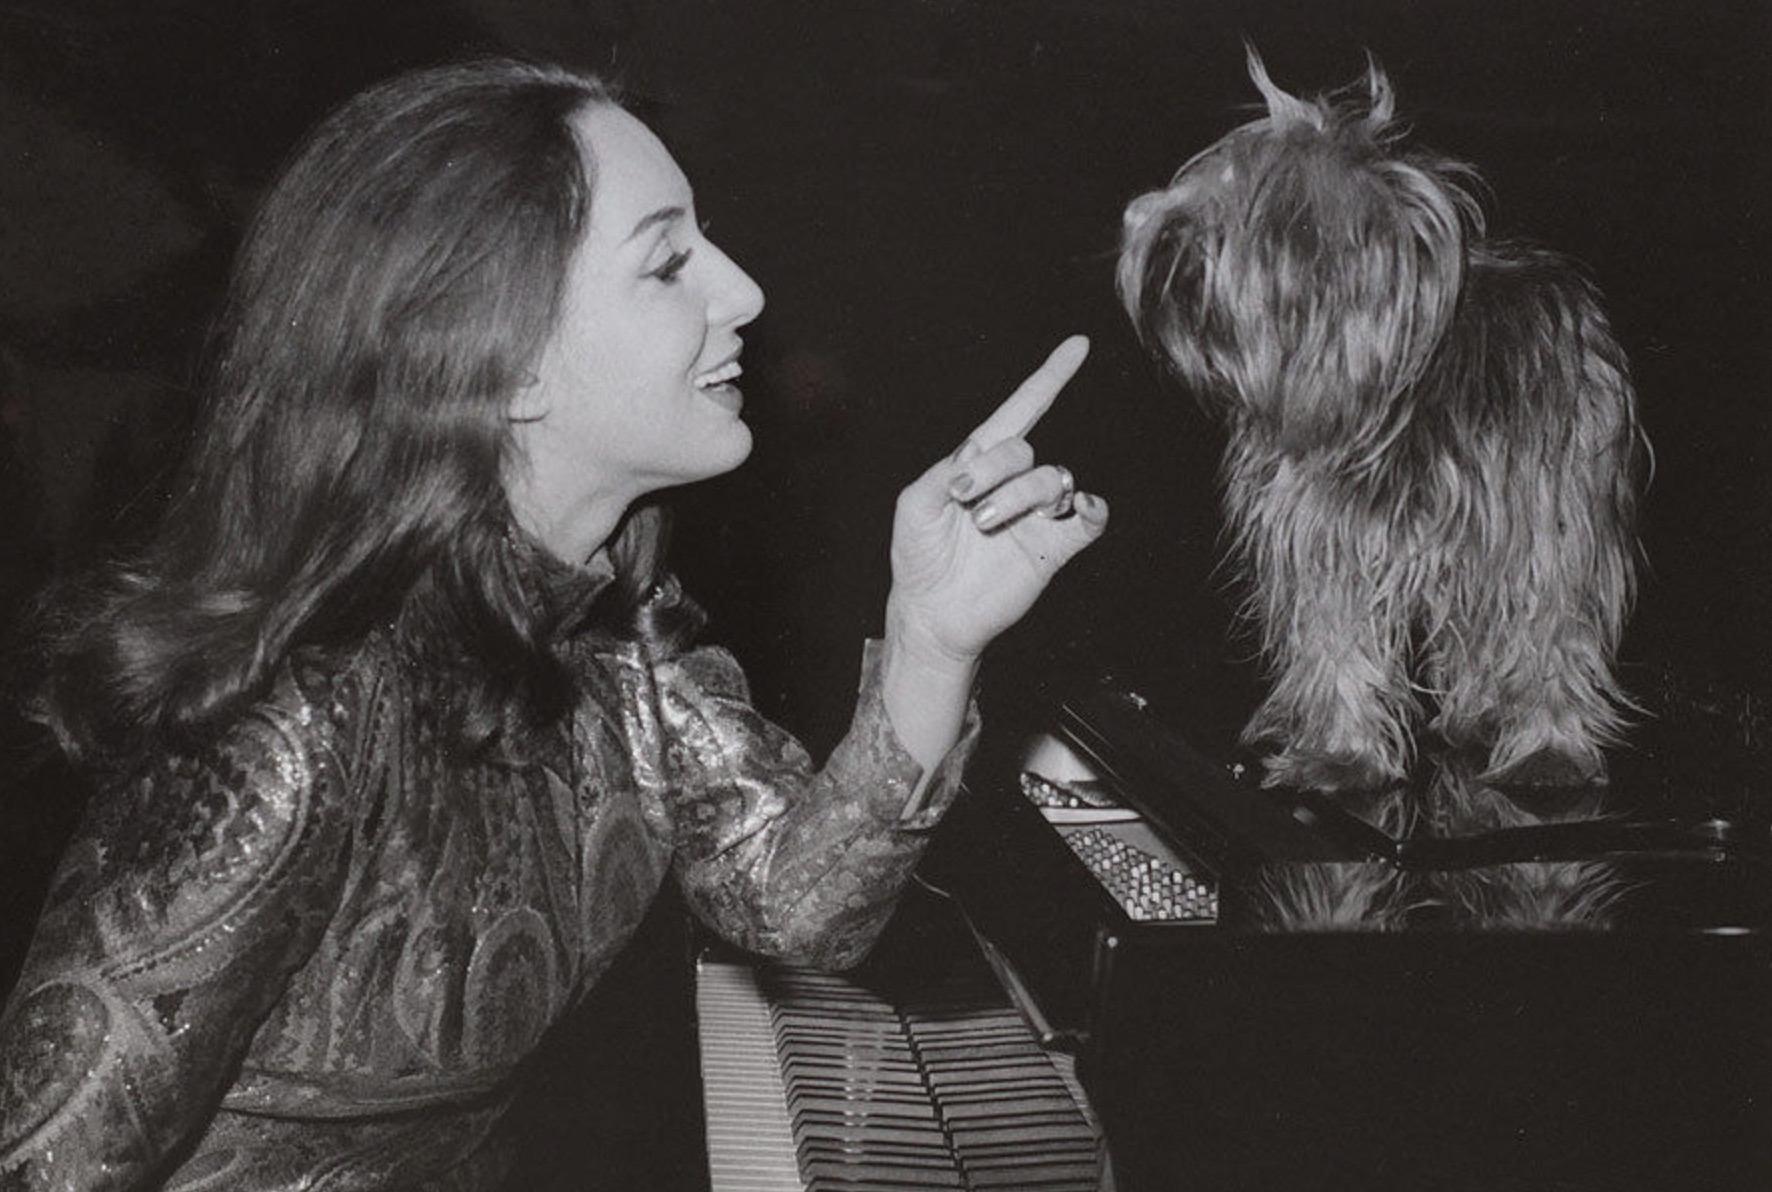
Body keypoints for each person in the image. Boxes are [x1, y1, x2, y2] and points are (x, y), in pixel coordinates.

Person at [0, 58, 1105, 1189]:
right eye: (668, 262)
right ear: (504, 357)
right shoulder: (289, 729)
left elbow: (800, 908)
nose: (742, 293)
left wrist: (931, 640)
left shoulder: (619, 638)